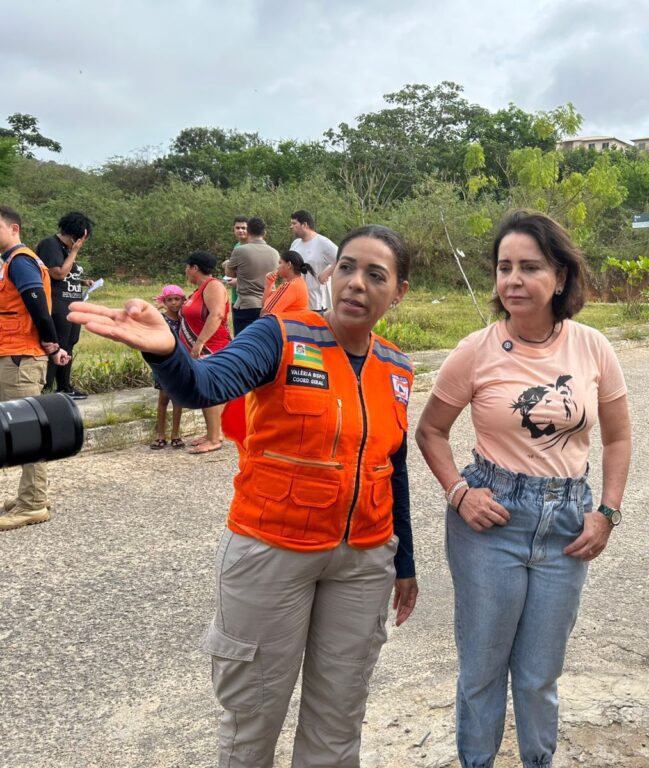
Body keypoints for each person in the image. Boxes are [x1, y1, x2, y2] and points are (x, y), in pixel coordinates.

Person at [68, 224, 418, 768]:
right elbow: (203, 385)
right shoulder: (279, 336)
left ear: (398, 292)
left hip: (363, 562)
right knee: (252, 719)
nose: (355, 284)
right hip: (272, 552)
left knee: (340, 719)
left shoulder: (397, 367)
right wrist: (168, 354)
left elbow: (390, 465)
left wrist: (405, 562)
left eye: (376, 275)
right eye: (346, 267)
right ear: (330, 272)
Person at [416, 210, 632, 768]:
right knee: (483, 669)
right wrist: (459, 492)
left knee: (539, 674)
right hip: (491, 519)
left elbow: (618, 439)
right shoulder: (475, 349)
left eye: (529, 267)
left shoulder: (592, 348)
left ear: (560, 276)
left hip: (567, 520)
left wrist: (606, 511)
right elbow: (431, 431)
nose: (512, 279)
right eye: (504, 267)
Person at [0, 205, 70, 532]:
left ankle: (33, 503)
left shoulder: (20, 261)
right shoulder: (12, 262)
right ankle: (28, 496)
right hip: (15, 354)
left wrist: (52, 344)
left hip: (20, 358)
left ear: (14, 228)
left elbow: (37, 304)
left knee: (27, 430)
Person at [36, 211, 95, 399]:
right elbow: (58, 273)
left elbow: (68, 274)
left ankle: (64, 387)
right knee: (56, 345)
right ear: (72, 235)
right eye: (77, 240)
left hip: (73, 304)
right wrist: (75, 251)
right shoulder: (50, 245)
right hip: (57, 303)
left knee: (69, 344)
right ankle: (47, 389)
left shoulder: (67, 248)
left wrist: (83, 282)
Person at [180, 250, 231, 454]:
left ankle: (213, 439)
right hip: (201, 348)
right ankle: (214, 432)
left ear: (195, 268)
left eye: (187, 267)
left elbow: (217, 314)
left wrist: (200, 342)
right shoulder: (200, 290)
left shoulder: (213, 286)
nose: (186, 271)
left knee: (208, 391)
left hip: (213, 347)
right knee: (208, 392)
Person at [224, 216, 278, 335]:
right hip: (269, 305)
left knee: (243, 345)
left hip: (246, 306)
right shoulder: (275, 253)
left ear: (248, 232)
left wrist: (227, 264)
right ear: (264, 233)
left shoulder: (240, 250)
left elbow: (229, 274)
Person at [150, 284, 186, 450]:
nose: (173, 303)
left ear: (182, 301)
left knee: (178, 399)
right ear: (164, 301)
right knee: (163, 399)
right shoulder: (161, 319)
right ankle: (160, 434)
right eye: (169, 300)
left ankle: (176, 434)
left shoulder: (185, 320)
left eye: (176, 299)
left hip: (180, 364)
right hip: (164, 364)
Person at [289, 210, 338, 313]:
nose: (291, 227)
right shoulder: (295, 243)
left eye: (294, 223)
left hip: (316, 304)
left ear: (304, 225)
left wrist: (327, 273)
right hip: (295, 302)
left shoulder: (322, 243)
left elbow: (343, 258)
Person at [262, 250, 312, 316]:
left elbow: (265, 313)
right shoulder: (298, 282)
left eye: (280, 263)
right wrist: (269, 284)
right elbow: (265, 306)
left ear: (288, 265)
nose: (277, 267)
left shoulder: (290, 286)